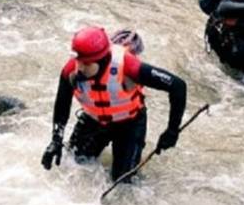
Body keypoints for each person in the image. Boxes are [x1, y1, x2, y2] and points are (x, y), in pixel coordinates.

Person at [41, 26, 187, 182]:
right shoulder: (71, 70)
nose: (80, 67)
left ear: (101, 60)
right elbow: (62, 104)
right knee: (72, 168)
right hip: (93, 121)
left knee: (122, 183)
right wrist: (56, 140)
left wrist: (172, 131)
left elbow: (178, 86)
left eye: (86, 64)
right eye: (78, 61)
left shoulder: (128, 66)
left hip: (129, 125)